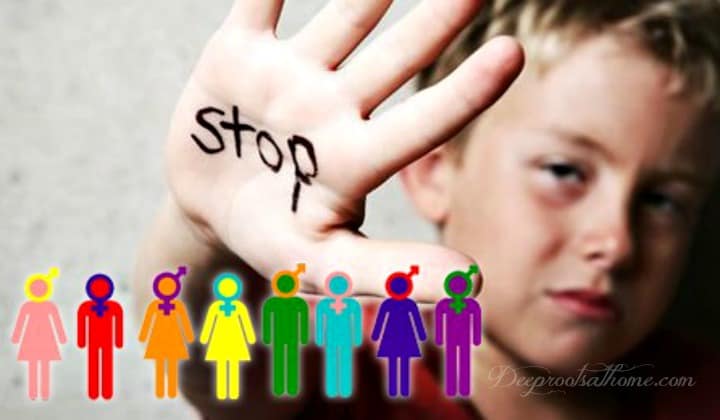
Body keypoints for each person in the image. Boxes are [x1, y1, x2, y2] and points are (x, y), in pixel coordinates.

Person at [133, 0, 720, 418]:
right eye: (564, 172)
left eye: (664, 200)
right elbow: (217, 360)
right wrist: (203, 229)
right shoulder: (356, 367)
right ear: (435, 174)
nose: (616, 243)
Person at [138, 266, 195, 399]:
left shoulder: (178, 307)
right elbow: (147, 322)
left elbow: (185, 322)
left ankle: (171, 388)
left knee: (172, 366)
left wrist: (189, 336)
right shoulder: (154, 306)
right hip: (159, 338)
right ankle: (161, 388)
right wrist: (144, 335)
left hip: (174, 338)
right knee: (161, 365)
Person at [11, 267, 67, 401]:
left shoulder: (50, 307)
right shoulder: (27, 307)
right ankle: (33, 391)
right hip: (32, 340)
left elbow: (56, 322)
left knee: (44, 366)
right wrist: (16, 337)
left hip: (46, 340)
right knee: (33, 366)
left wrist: (61, 337)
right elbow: (20, 322)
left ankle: (44, 390)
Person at [199, 272, 256, 400]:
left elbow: (245, 323)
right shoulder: (215, 307)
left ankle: (234, 391)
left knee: (234, 366)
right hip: (219, 340)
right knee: (221, 367)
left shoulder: (240, 307)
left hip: (235, 340)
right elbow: (209, 323)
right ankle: (222, 391)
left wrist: (250, 337)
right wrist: (205, 337)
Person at [371, 266, 426, 398]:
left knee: (398, 363)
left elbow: (416, 320)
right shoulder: (399, 304)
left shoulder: (399, 304)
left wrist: (376, 334)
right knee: (397, 363)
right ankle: (398, 388)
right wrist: (421, 335)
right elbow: (381, 320)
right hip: (400, 336)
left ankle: (398, 389)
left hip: (398, 336)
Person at [77, 273, 124, 400]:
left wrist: (118, 341)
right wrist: (81, 341)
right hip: (93, 341)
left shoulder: (114, 307)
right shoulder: (85, 307)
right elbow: (82, 324)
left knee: (107, 365)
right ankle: (94, 390)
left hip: (107, 341)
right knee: (93, 365)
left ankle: (106, 389)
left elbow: (118, 324)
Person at [315, 272, 362, 398]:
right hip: (331, 337)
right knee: (332, 362)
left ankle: (345, 388)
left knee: (345, 362)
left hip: (345, 338)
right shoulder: (324, 305)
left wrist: (357, 338)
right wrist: (319, 337)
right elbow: (320, 322)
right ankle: (332, 388)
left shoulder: (353, 305)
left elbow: (356, 322)